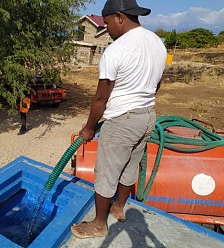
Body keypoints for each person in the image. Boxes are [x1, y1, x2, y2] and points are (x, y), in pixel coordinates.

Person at [71, 0, 167, 239]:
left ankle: (99, 224)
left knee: (106, 172)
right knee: (130, 165)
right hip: (147, 116)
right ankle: (118, 207)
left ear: (119, 17)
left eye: (107, 23)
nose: (107, 29)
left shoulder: (116, 49)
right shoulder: (157, 43)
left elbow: (101, 98)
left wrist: (89, 128)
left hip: (122, 121)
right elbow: (157, 84)